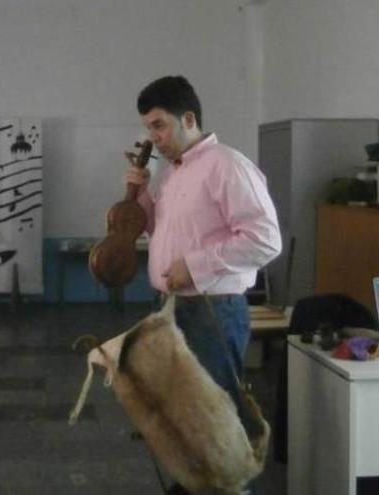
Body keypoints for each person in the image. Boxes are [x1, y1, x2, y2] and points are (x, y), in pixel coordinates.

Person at [124, 76, 281, 484]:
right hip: (172, 308)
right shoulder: (173, 173)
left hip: (210, 311)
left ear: (188, 118)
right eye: (148, 128)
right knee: (181, 419)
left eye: (159, 125)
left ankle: (229, 488)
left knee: (214, 424)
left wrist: (195, 265)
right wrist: (141, 197)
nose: (152, 138)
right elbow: (160, 230)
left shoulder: (228, 165)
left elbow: (265, 240)